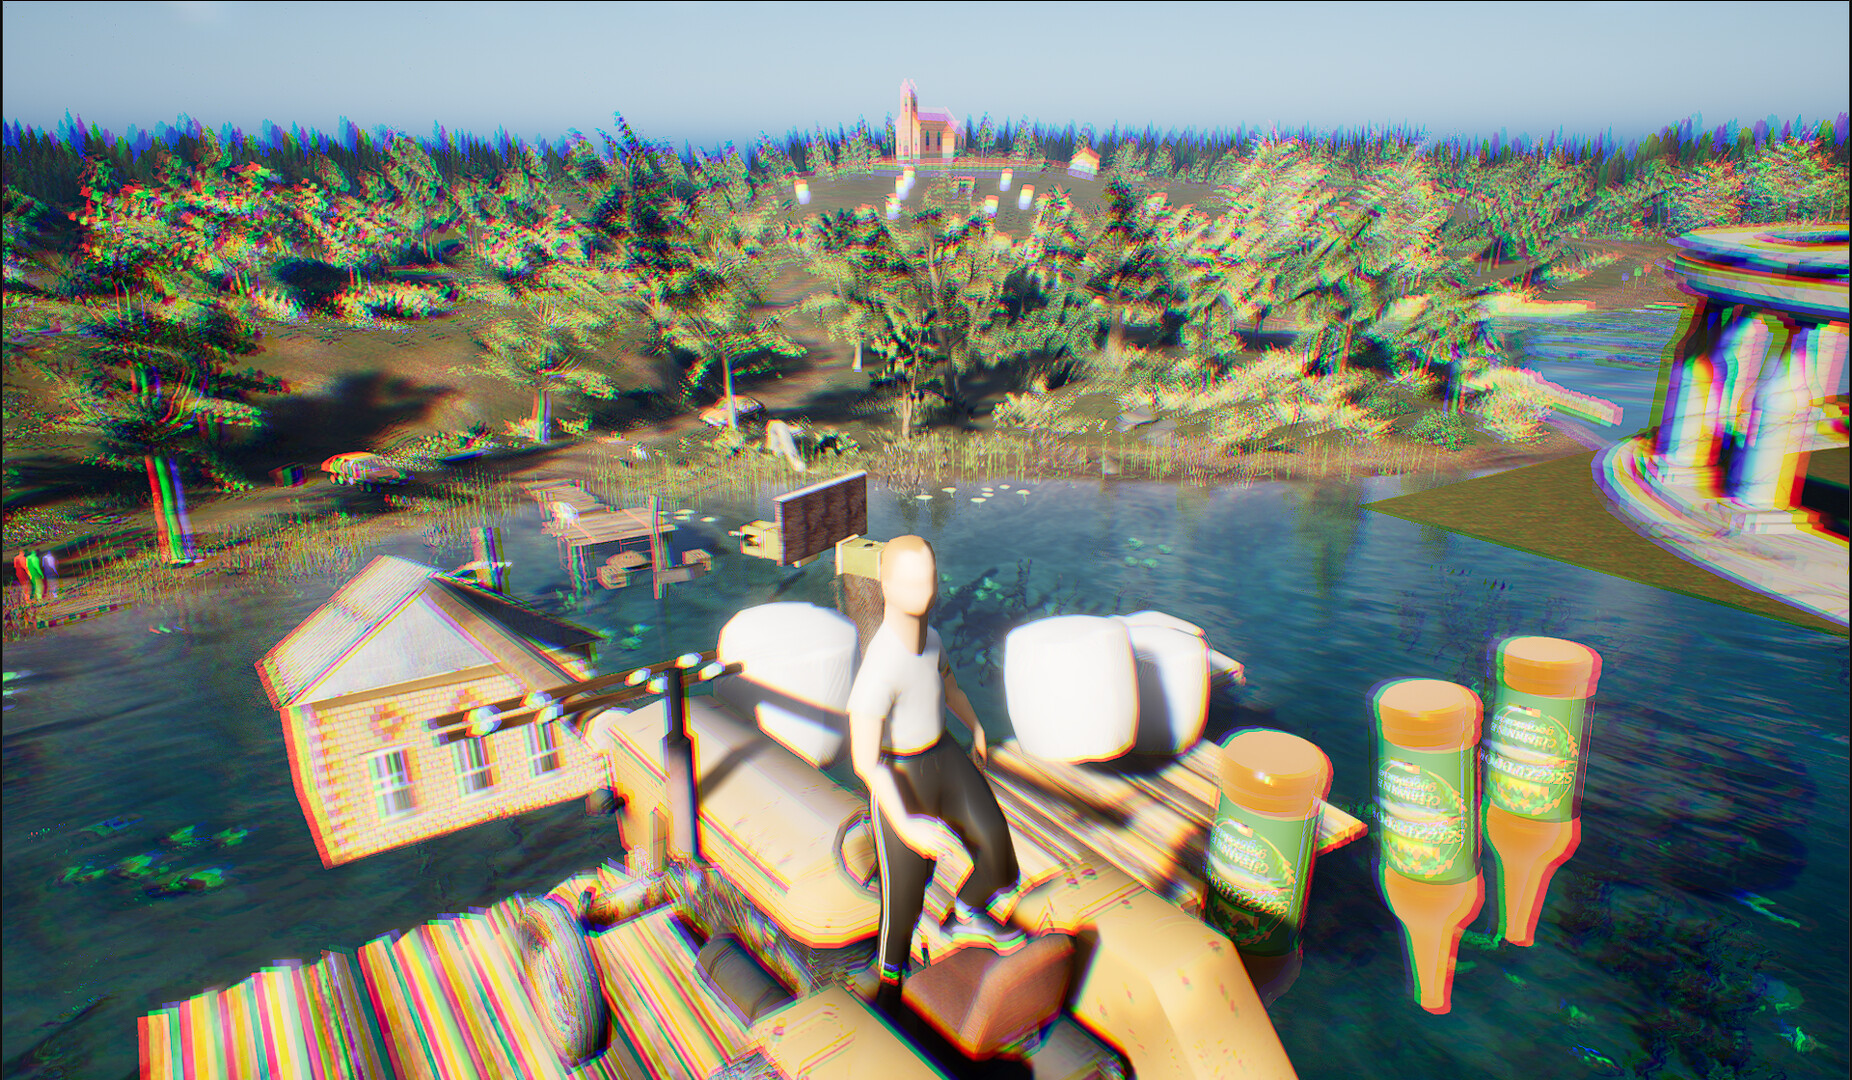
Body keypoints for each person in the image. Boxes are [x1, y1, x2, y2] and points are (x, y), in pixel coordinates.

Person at [848, 535, 1027, 1014]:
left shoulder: (932, 640)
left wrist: (976, 726)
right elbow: (864, 761)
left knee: (997, 848)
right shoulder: (879, 668)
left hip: (944, 755)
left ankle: (965, 913)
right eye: (912, 582)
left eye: (929, 580)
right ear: (886, 585)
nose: (925, 593)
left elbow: (948, 685)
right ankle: (889, 990)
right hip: (900, 775)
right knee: (903, 902)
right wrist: (906, 823)